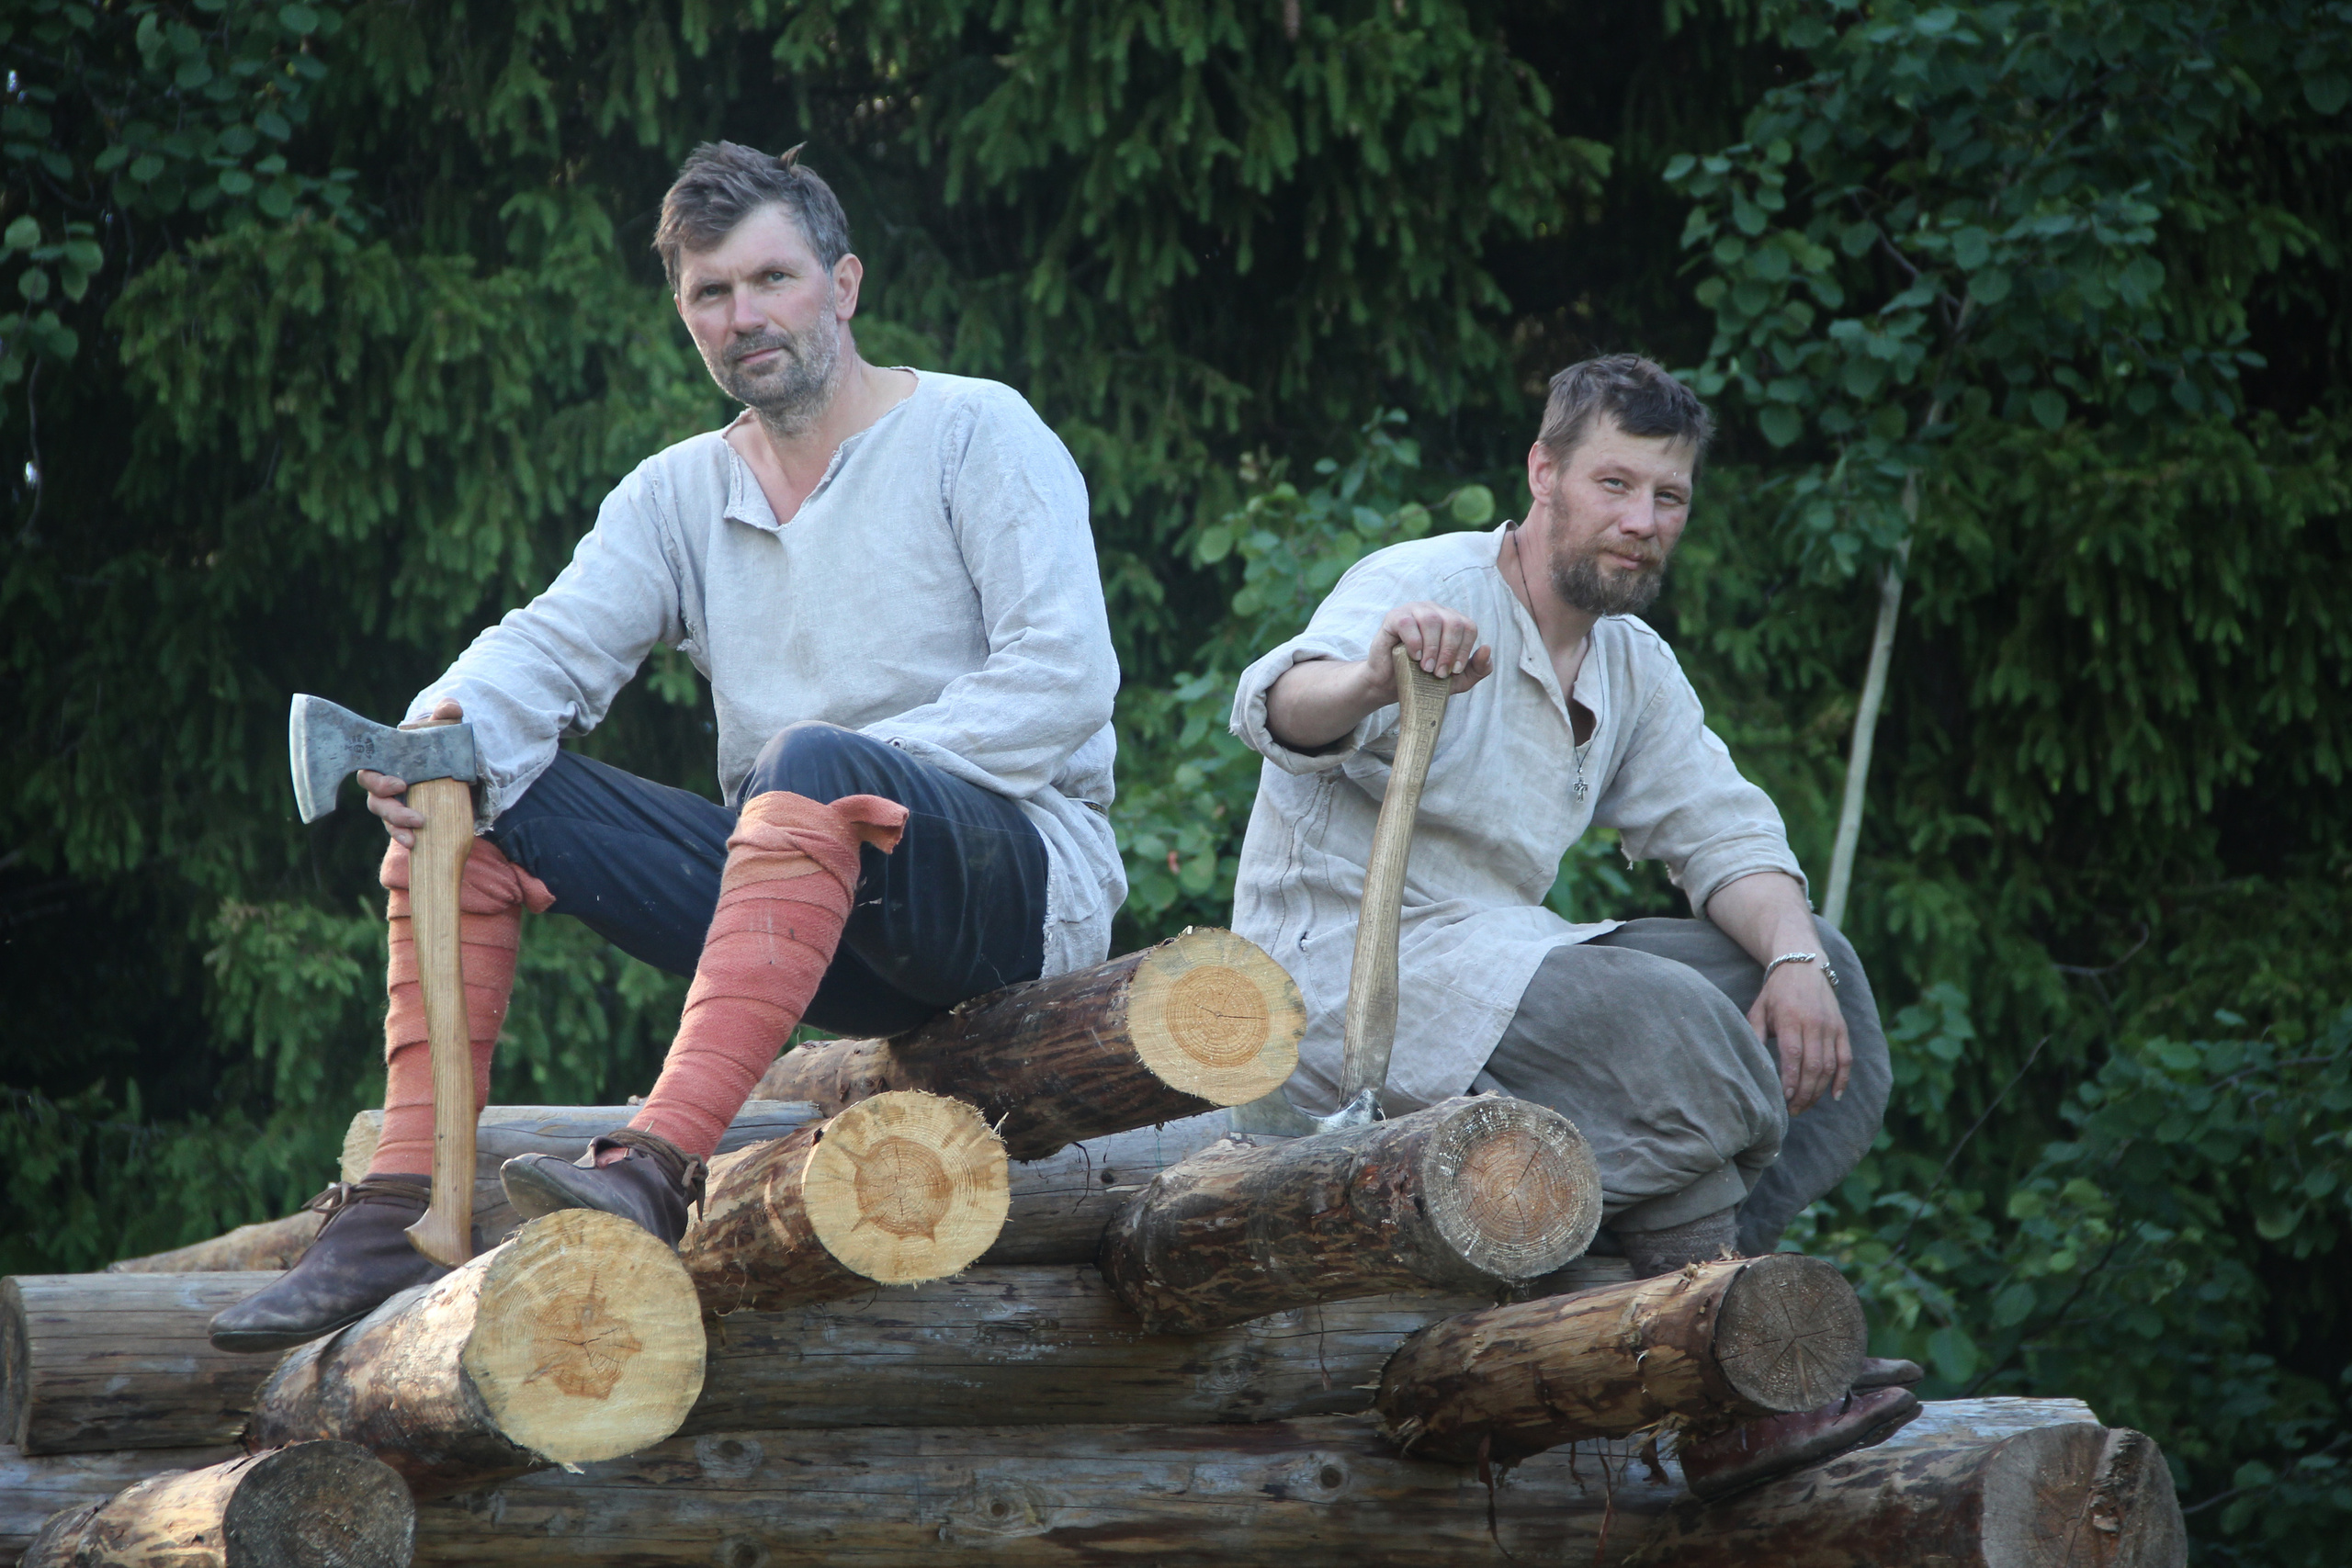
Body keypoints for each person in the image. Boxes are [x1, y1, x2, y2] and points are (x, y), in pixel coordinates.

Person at [211, 142, 1122, 1353]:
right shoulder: (677, 493)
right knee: (474, 794)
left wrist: (846, 767)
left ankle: (656, 1161)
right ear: (685, 315)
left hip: (1012, 889)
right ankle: (400, 1202)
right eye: (710, 293)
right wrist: (441, 728)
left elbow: (1064, 681)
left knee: (807, 758)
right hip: (813, 904)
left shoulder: (974, 432)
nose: (744, 315)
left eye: (772, 278)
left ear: (841, 284)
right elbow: (552, 643)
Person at [1227, 354, 1914, 1494]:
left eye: (1668, 497)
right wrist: (1371, 678)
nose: (1642, 521)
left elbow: (1724, 833)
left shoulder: (1631, 664)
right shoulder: (1428, 577)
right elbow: (1278, 705)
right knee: (1660, 1025)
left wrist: (1790, 960)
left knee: (1820, 971)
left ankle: (1695, 1287)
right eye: (1615, 484)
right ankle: (1725, 1393)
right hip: (1349, 981)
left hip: (1505, 957)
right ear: (1542, 472)